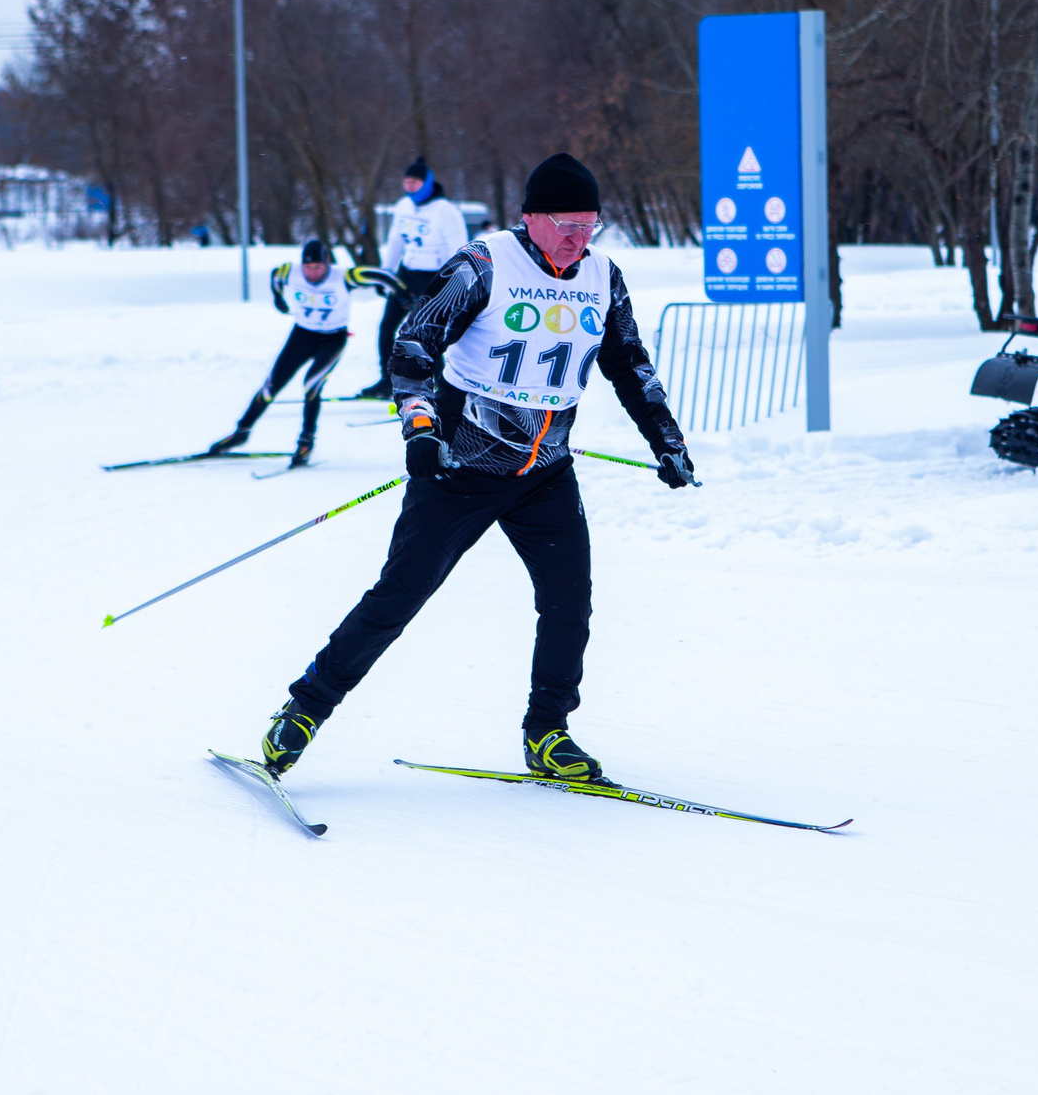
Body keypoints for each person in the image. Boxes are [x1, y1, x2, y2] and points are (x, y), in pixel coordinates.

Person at [258, 153, 695, 783]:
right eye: (567, 224)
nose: (578, 238)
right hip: (459, 468)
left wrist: (666, 440)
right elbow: (414, 344)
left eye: (590, 225)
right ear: (532, 217)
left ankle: (547, 733)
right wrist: (419, 427)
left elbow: (628, 362)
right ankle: (304, 709)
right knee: (400, 594)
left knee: (569, 603)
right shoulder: (484, 265)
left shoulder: (604, 275)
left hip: (545, 472)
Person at [205, 238, 397, 469]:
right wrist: (277, 297)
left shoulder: (344, 276)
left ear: (327, 264)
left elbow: (382, 275)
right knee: (271, 386)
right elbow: (276, 275)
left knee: (311, 386)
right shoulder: (291, 272)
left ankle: (305, 443)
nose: (312, 273)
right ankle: (241, 432)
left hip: (332, 339)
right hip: (301, 336)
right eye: (308, 267)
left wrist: (404, 295)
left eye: (317, 267)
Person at [354, 157, 469, 400]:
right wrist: (386, 275)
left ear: (427, 184)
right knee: (387, 327)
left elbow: (459, 250)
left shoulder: (446, 211)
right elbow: (395, 241)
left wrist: (452, 286)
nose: (409, 187)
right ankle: (387, 380)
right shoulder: (403, 206)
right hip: (406, 273)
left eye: (415, 183)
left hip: (433, 277)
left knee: (425, 333)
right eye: (406, 182)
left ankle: (438, 385)